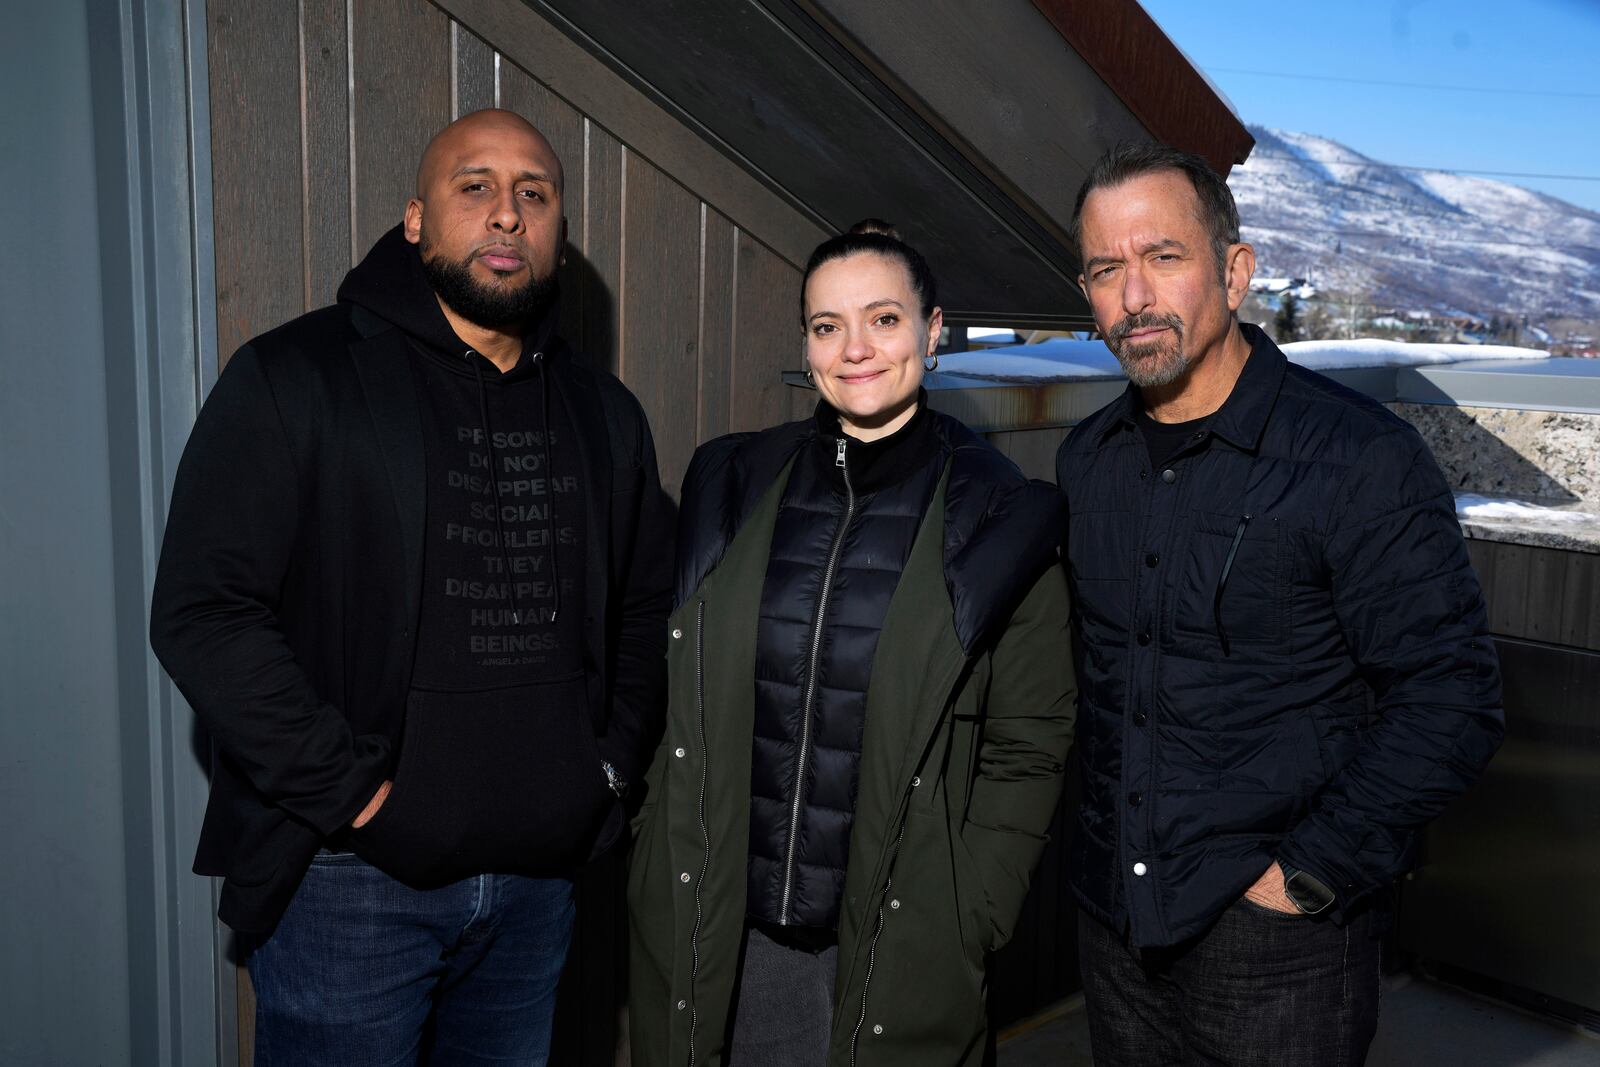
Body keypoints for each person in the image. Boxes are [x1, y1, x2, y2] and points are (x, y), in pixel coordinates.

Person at [149, 108, 671, 1065]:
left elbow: (644, 608)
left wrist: (605, 771)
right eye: (474, 187)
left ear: (556, 229)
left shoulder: (605, 414)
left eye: (535, 194)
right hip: (351, 883)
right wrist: (355, 797)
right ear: (417, 220)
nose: (507, 214)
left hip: (538, 884)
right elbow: (202, 612)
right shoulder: (295, 377)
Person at [1055, 142, 1504, 1065]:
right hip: (1116, 934)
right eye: (1107, 268)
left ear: (1235, 270)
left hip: (1279, 950)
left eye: (1163, 257)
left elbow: (1451, 697)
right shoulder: (1088, 459)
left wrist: (1305, 877)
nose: (1134, 294)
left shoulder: (1356, 459)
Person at [626, 220, 1077, 1065]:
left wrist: (971, 907)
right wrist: (655, 838)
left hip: (896, 932)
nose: (856, 349)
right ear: (806, 342)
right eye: (828, 325)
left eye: (884, 319)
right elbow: (669, 683)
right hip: (724, 925)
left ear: (933, 330)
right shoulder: (730, 483)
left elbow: (1031, 741)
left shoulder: (1001, 519)